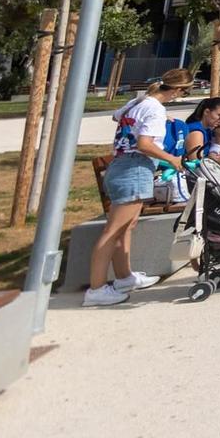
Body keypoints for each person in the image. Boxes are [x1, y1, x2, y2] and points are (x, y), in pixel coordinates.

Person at [84, 71, 192, 306]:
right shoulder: (155, 108)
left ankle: (124, 277)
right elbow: (144, 144)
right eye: (185, 91)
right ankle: (96, 289)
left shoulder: (141, 102)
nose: (182, 96)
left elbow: (117, 116)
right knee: (113, 231)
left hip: (123, 166)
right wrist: (171, 159)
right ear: (176, 90)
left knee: (126, 226)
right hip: (134, 168)